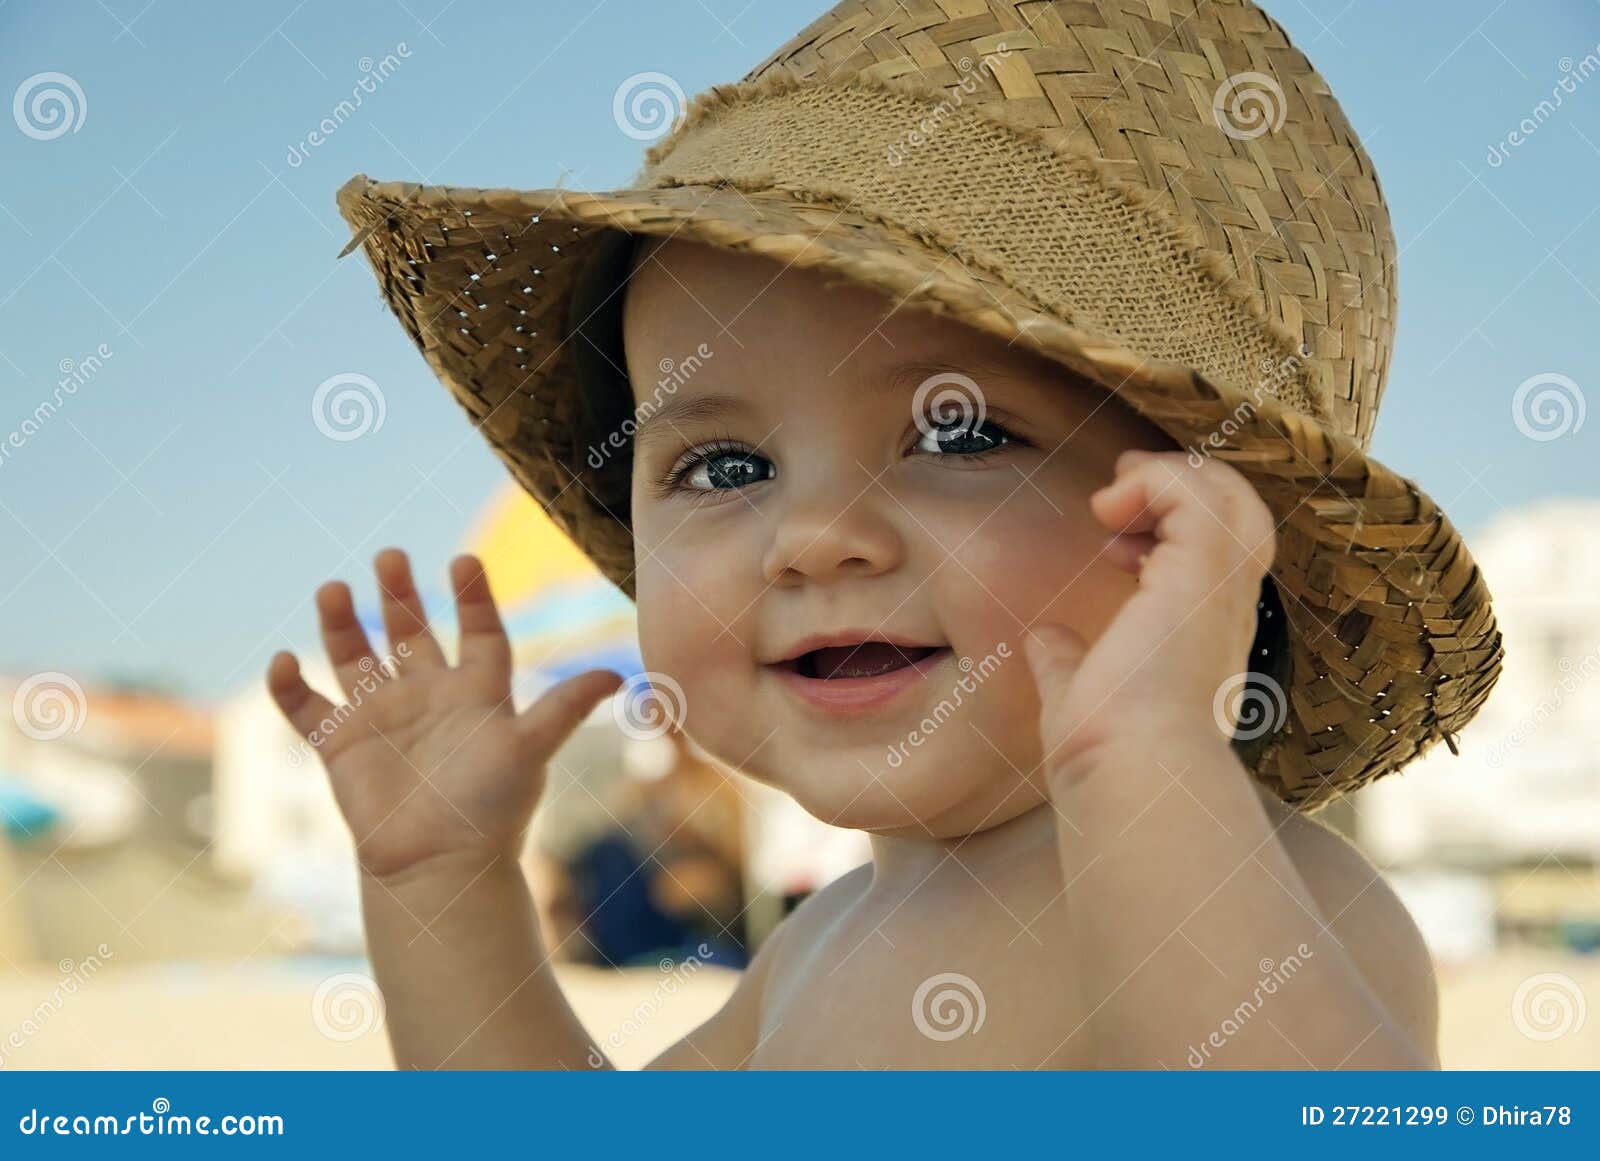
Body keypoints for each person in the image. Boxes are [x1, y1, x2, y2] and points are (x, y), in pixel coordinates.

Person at [269, 0, 1503, 1068]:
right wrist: (442, 889)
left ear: (1205, 541)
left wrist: (1145, 762)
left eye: (957, 437)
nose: (812, 538)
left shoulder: (1278, 897)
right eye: (725, 465)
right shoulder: (812, 955)